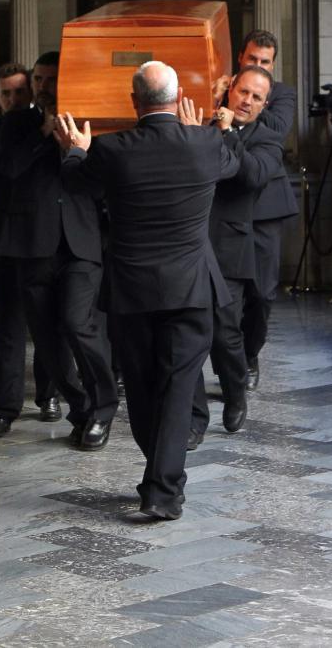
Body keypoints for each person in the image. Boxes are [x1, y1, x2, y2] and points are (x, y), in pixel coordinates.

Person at [56, 61, 243, 520]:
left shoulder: (112, 149)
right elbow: (233, 164)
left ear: (134, 102)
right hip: (191, 289)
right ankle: (162, 485)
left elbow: (76, 184)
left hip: (132, 292)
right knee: (180, 386)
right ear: (179, 97)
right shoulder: (204, 143)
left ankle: (161, 484)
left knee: (140, 387)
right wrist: (201, 131)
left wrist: (75, 150)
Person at [0, 51, 118, 450]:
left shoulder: (90, 124)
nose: (45, 87)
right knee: (47, 343)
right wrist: (42, 136)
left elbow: (103, 184)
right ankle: (82, 409)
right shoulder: (16, 125)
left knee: (77, 323)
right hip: (34, 246)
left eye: (52, 79)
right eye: (40, 80)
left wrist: (77, 150)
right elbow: (6, 173)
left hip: (81, 245)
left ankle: (103, 408)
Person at [187, 66, 284, 448]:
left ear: (264, 105)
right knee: (190, 334)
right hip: (191, 241)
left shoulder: (269, 140)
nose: (247, 100)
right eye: (243, 91)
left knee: (226, 333)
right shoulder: (203, 124)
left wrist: (227, 133)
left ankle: (235, 393)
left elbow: (253, 176)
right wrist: (212, 125)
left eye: (256, 97)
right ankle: (194, 416)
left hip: (230, 244)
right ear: (230, 90)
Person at [0, 63, 56, 437]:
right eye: (5, 93)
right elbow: (9, 171)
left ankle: (48, 395)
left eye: (19, 92)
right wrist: (41, 134)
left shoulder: (53, 129)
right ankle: (3, 409)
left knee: (45, 324)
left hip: (42, 239)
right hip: (5, 240)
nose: (12, 99)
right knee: (8, 326)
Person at [217, 30, 298, 391]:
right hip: (227, 208)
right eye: (253, 61)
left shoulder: (281, 95)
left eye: (265, 63)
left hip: (265, 204)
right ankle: (232, 365)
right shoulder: (224, 91)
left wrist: (238, 105)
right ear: (241, 59)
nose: (259, 66)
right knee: (227, 297)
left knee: (263, 294)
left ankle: (250, 354)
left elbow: (278, 132)